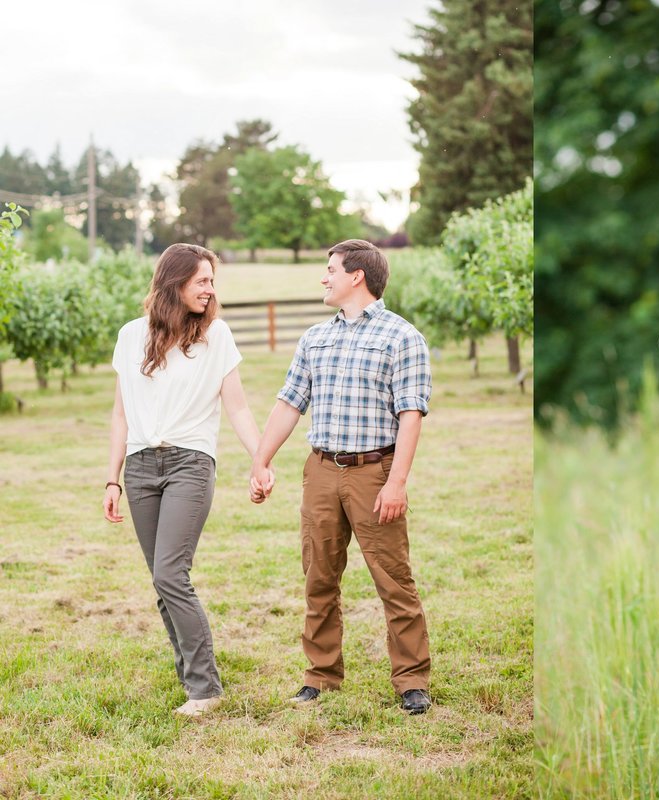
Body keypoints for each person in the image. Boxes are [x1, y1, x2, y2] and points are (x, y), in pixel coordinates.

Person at [249, 239, 433, 715]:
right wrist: (261, 460)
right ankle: (321, 676)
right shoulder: (315, 337)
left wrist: (397, 483)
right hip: (322, 471)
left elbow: (411, 413)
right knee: (319, 577)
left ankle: (411, 680)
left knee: (393, 579)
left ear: (357, 276)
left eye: (330, 269)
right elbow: (290, 403)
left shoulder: (402, 337)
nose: (323, 277)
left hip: (375, 473)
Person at [103, 243, 273, 718]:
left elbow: (236, 406)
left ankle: (206, 689)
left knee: (169, 573)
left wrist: (260, 460)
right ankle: (191, 678)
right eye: (202, 280)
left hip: (189, 464)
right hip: (139, 468)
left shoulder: (215, 336)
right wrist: (111, 479)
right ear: (174, 282)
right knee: (163, 582)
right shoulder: (130, 336)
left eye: (212, 281)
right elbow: (120, 414)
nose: (210, 289)